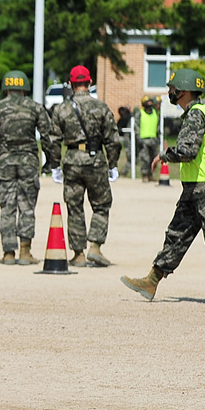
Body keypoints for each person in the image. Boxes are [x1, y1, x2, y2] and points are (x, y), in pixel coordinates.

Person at [121, 67, 205, 305]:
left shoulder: (196, 115)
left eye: (172, 88)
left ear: (184, 90)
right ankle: (152, 281)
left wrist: (165, 156)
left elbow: (187, 151)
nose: (169, 92)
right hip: (195, 188)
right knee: (177, 234)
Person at [0, 70, 58, 265]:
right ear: (24, 88)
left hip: (5, 161)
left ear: (6, 88)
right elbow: (49, 136)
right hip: (29, 160)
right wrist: (51, 160)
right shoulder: (35, 108)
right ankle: (25, 251)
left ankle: (8, 253)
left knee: (7, 206)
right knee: (27, 206)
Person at [49, 65, 120, 266]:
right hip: (95, 159)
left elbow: (53, 139)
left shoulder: (61, 108)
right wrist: (113, 163)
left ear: (71, 84)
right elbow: (113, 139)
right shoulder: (101, 107)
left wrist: (54, 165)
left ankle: (78, 253)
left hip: (72, 159)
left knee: (74, 206)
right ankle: (95, 247)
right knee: (101, 204)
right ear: (89, 83)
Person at [133, 95, 161, 182]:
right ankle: (144, 175)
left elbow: (158, 126)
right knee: (145, 159)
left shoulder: (155, 113)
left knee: (154, 158)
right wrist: (138, 138)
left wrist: (158, 137)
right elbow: (136, 126)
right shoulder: (140, 113)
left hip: (153, 139)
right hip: (143, 139)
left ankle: (150, 174)